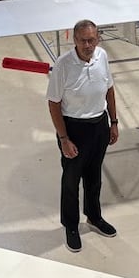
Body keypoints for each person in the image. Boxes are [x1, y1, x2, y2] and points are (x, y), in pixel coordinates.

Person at [47, 19, 120, 253]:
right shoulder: (63, 65)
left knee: (94, 176)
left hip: (99, 124)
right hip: (74, 129)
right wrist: (64, 139)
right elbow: (53, 103)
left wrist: (114, 122)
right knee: (71, 180)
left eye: (91, 40)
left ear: (97, 39)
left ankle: (94, 217)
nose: (88, 45)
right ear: (74, 40)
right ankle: (70, 226)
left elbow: (109, 89)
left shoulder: (103, 56)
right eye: (82, 40)